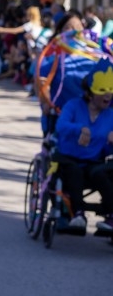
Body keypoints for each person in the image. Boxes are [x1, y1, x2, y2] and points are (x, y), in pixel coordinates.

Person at [53, 57, 113, 231]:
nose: (108, 95)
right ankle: (77, 214)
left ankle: (111, 216)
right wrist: (79, 129)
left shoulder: (110, 115)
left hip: (94, 160)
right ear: (90, 93)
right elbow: (60, 126)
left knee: (102, 174)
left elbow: (107, 149)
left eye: (111, 90)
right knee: (74, 172)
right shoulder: (73, 106)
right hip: (68, 157)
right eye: (102, 90)